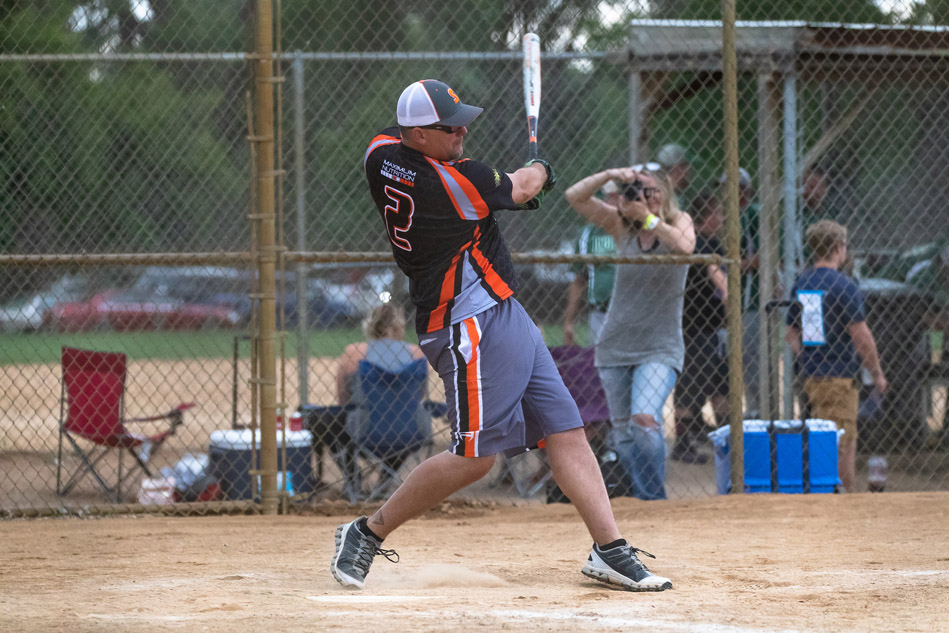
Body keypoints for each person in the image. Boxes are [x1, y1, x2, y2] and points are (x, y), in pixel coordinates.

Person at [333, 79, 672, 593]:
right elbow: (524, 188)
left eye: (462, 123)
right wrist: (543, 168)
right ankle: (366, 532)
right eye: (450, 127)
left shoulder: (380, 153)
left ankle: (609, 549)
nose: (462, 132)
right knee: (475, 458)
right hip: (465, 323)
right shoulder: (452, 183)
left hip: (504, 311)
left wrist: (521, 176)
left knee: (566, 429)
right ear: (418, 135)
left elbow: (497, 184)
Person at [566, 162, 696, 501]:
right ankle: (637, 500)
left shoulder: (678, 221)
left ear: (663, 193)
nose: (640, 197)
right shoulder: (621, 226)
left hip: (660, 346)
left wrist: (649, 219)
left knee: (645, 421)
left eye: (647, 191)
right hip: (616, 344)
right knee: (623, 433)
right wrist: (610, 175)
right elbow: (574, 196)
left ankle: (653, 500)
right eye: (634, 191)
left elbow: (685, 246)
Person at [786, 220, 888, 492]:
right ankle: (842, 497)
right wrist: (877, 373)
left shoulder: (803, 282)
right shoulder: (844, 285)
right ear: (838, 248)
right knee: (843, 440)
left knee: (821, 435)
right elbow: (861, 336)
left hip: (812, 374)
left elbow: (791, 333)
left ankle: (826, 490)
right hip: (840, 374)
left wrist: (807, 357)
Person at [673, 191, 729, 465]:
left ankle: (722, 438)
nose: (721, 218)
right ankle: (683, 443)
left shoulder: (694, 242)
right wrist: (729, 295)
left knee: (719, 383)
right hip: (697, 327)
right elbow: (717, 276)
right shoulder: (704, 243)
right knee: (691, 385)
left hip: (701, 326)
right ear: (706, 216)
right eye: (717, 213)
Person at [335, 303, 430, 444]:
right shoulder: (417, 353)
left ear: (369, 326)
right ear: (399, 327)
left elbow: (343, 401)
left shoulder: (354, 353)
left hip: (364, 432)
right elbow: (419, 395)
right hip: (412, 431)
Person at [725, 167, 765, 418]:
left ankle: (757, 410)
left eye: (735, 187)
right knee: (734, 359)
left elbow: (762, 257)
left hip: (750, 298)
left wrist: (732, 265)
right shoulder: (723, 216)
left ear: (745, 190)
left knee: (751, 356)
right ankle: (750, 409)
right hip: (725, 300)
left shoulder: (753, 214)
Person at [562, 181, 617, 346]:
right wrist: (569, 321)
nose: (613, 201)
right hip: (600, 314)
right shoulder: (589, 234)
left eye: (617, 196)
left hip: (634, 313)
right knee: (598, 359)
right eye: (608, 197)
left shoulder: (635, 229)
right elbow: (578, 280)